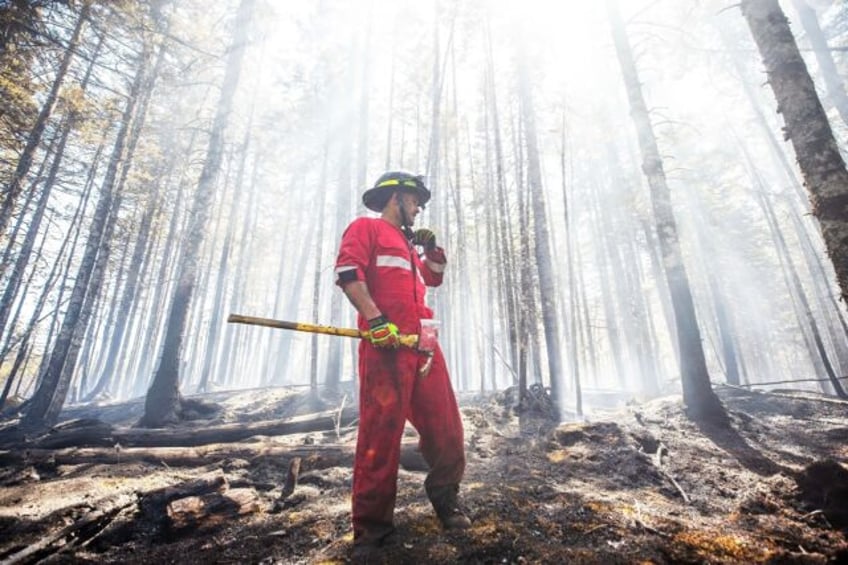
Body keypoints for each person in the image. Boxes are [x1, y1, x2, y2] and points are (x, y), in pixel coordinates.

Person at [334, 171, 470, 558]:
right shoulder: (366, 228)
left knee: (447, 429)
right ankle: (372, 533)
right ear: (395, 197)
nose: (419, 208)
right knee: (380, 438)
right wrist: (375, 320)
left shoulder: (410, 247)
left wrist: (431, 249)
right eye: (414, 201)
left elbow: (435, 279)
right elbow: (347, 274)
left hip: (423, 348)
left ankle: (445, 494)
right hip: (386, 347)